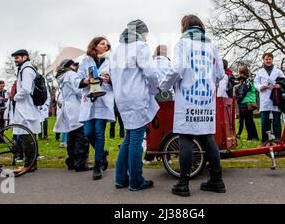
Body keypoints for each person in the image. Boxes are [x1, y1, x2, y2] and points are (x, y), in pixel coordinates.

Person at [160, 14, 226, 197]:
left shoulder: (183, 43)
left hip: (188, 99)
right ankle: (217, 180)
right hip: (206, 99)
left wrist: (164, 86)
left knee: (186, 138)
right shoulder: (211, 45)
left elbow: (176, 69)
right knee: (207, 137)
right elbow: (220, 73)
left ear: (185, 27)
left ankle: (183, 184)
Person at [110, 19, 159, 191]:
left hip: (122, 98)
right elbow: (150, 72)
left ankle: (120, 177)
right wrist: (155, 89)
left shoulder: (117, 50)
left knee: (129, 138)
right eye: (146, 34)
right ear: (140, 32)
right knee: (136, 139)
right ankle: (136, 181)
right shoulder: (140, 46)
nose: (146, 38)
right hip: (136, 97)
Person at [78, 37, 115, 180]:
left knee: (99, 132)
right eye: (102, 43)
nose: (106, 46)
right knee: (88, 133)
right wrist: (85, 80)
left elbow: (117, 79)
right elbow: (78, 79)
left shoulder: (111, 61)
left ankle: (98, 164)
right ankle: (102, 152)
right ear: (94, 45)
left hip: (103, 99)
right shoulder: (86, 61)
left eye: (107, 44)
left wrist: (109, 79)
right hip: (89, 99)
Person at [54, 59, 91, 171]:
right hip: (75, 107)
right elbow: (78, 90)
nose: (76, 66)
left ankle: (72, 161)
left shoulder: (61, 76)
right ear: (70, 66)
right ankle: (80, 163)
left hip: (67, 108)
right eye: (75, 65)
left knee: (72, 136)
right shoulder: (71, 74)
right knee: (82, 137)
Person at [11, 49, 41, 174]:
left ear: (24, 57)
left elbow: (26, 89)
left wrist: (15, 97)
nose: (15, 60)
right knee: (30, 135)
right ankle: (32, 164)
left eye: (17, 57)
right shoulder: (26, 69)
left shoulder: (27, 70)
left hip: (25, 108)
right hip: (27, 108)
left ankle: (28, 165)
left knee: (26, 136)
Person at [254, 53, 285, 143]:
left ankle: (278, 140)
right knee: (265, 122)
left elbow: (284, 82)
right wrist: (260, 87)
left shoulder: (278, 71)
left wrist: (279, 85)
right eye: (266, 59)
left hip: (275, 99)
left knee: (277, 122)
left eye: (270, 59)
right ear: (263, 60)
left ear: (272, 60)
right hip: (264, 99)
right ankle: (265, 141)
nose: (268, 61)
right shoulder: (259, 72)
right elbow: (255, 83)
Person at [235, 66, 259, 141]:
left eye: (240, 73)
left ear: (242, 73)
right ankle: (252, 137)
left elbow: (244, 92)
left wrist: (238, 100)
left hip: (246, 102)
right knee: (249, 120)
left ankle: (252, 137)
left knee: (248, 121)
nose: (239, 75)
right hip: (250, 102)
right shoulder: (250, 80)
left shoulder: (246, 81)